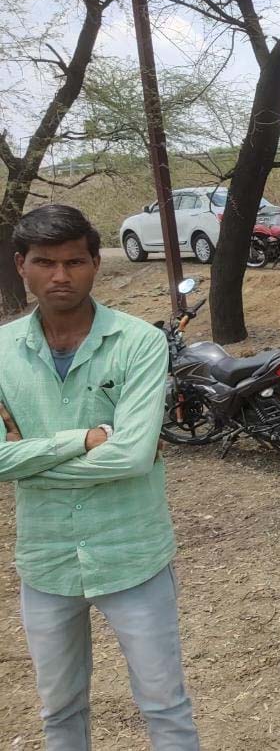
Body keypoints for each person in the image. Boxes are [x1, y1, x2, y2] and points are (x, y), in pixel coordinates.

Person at [0, 204, 200, 749]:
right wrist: (82, 440)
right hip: (47, 561)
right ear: (21, 265)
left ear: (95, 264)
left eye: (74, 261)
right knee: (59, 709)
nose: (60, 276)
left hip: (132, 554)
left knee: (165, 705)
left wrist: (30, 464)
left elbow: (132, 457)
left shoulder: (138, 342)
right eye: (45, 262)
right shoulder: (2, 352)